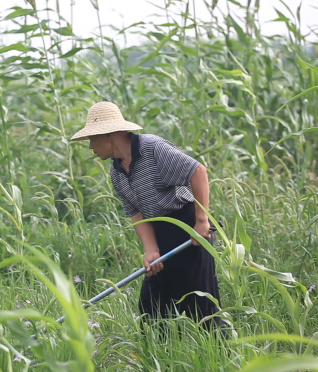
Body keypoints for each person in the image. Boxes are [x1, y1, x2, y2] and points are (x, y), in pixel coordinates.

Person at [70, 101, 225, 333]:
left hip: (187, 226)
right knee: (152, 308)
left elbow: (197, 171)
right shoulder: (116, 171)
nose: (90, 146)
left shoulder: (152, 148)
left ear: (109, 135)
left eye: (93, 139)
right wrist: (151, 249)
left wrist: (201, 221)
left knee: (200, 304)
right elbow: (135, 212)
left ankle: (219, 355)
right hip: (159, 231)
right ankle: (159, 358)